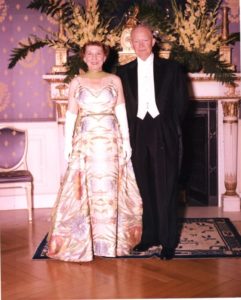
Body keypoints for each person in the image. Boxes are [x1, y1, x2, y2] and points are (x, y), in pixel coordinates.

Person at [47, 41, 143, 262]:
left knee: (109, 192)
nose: (94, 57)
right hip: (87, 144)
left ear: (105, 56)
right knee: (86, 191)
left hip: (110, 144)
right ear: (83, 57)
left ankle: (109, 243)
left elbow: (121, 112)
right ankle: (84, 243)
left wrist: (127, 143)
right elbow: (71, 115)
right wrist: (67, 145)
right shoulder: (76, 82)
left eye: (98, 53)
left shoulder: (115, 80)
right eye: (89, 53)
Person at [116, 24, 188, 260]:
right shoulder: (123, 72)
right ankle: (149, 237)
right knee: (145, 187)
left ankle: (168, 242)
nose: (140, 45)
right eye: (136, 41)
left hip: (163, 131)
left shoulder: (173, 69)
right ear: (131, 44)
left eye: (144, 40)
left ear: (153, 41)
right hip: (138, 132)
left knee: (166, 187)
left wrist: (169, 127)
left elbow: (182, 103)